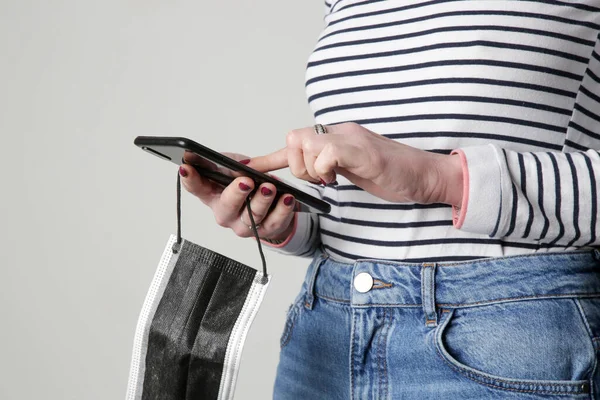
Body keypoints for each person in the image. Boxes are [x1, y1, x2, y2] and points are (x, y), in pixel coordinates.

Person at [178, 1, 600, 398]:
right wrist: (287, 220)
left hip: (508, 342)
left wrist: (436, 178)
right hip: (324, 334)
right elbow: (365, 202)